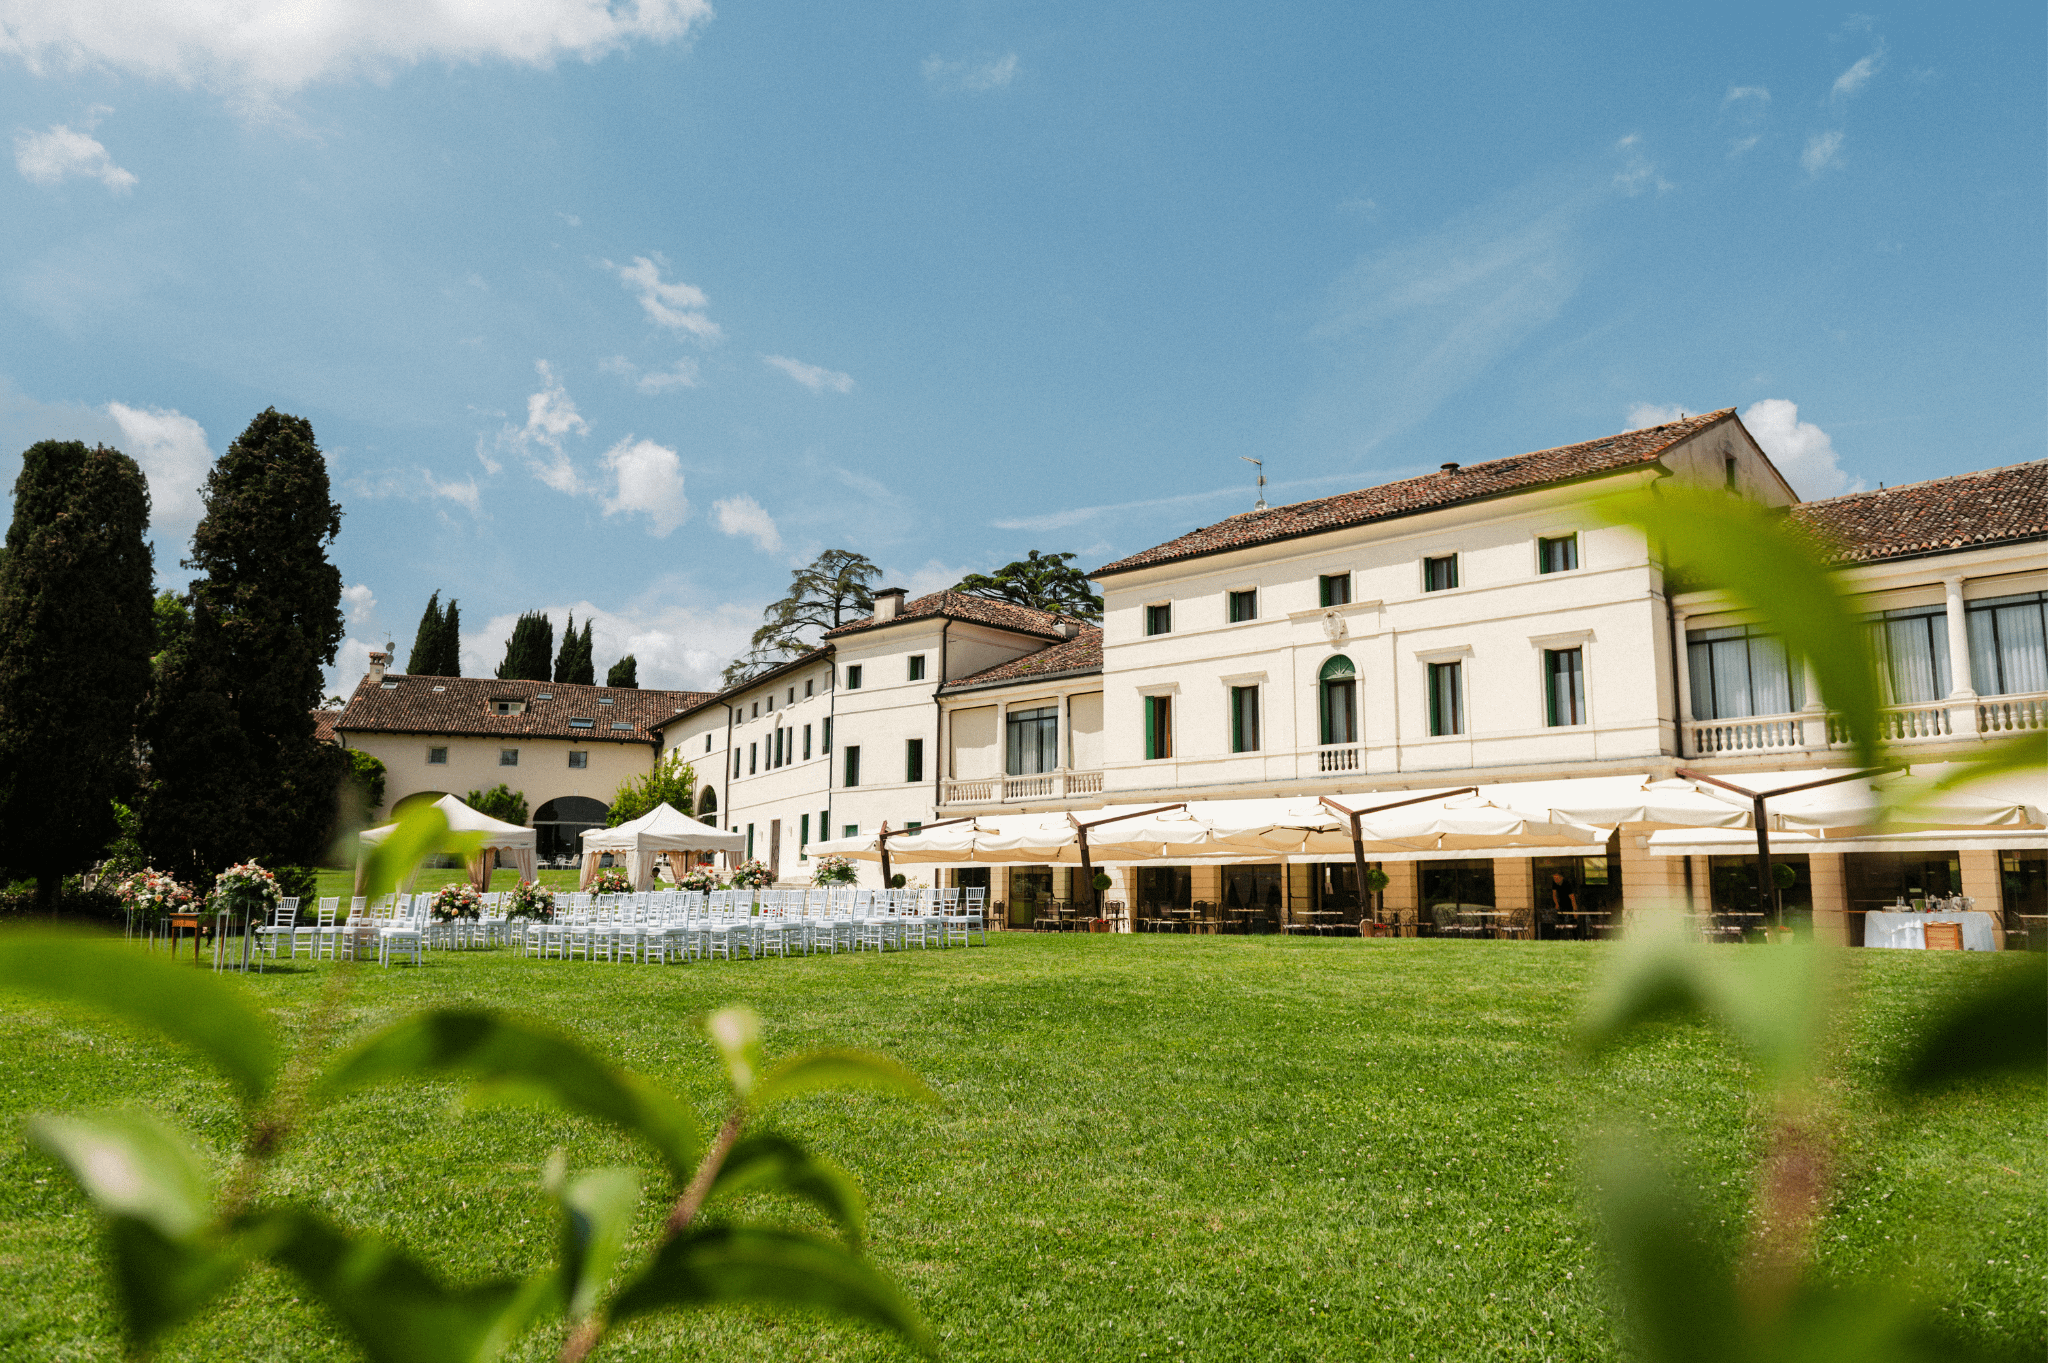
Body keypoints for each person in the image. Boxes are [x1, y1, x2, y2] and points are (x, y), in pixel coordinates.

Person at [1545, 871, 1579, 940]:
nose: (1555, 880)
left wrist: (1575, 910)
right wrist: (1556, 904)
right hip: (1561, 904)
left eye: (1556, 878)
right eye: (1554, 878)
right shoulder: (1555, 883)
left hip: (1569, 904)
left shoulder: (1567, 884)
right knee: (1560, 921)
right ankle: (1557, 938)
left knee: (1572, 921)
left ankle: (1576, 938)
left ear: (1561, 878)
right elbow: (1554, 894)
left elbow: (1572, 898)